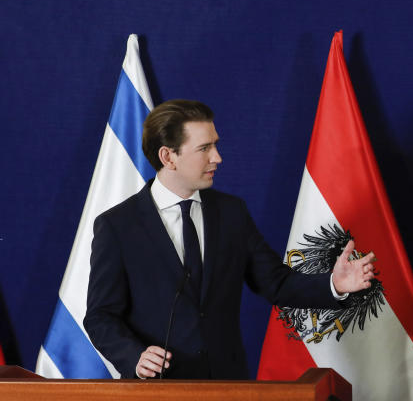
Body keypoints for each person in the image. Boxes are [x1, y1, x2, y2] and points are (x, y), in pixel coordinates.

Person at [84, 99, 375, 379]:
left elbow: (276, 283)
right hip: (157, 393)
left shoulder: (231, 212)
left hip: (228, 389)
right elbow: (100, 316)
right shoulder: (118, 226)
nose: (217, 157)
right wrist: (134, 356)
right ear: (168, 157)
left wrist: (333, 285)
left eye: (216, 145)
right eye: (204, 148)